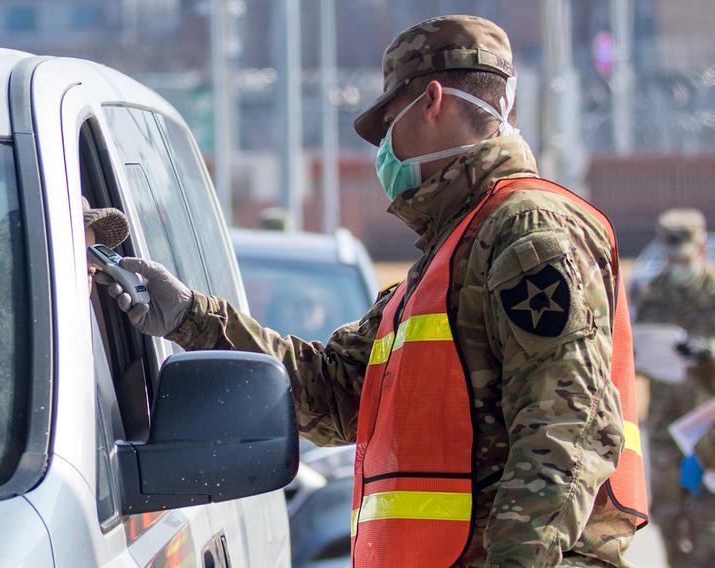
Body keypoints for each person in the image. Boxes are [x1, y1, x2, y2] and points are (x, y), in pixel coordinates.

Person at [107, 15, 647, 567]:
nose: (384, 147)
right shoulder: (452, 248)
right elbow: (336, 393)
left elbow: (565, 426)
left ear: (431, 101)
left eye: (389, 122)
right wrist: (190, 317)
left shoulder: (527, 230)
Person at [635, 208, 715, 567]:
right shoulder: (652, 294)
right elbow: (637, 346)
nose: (677, 263)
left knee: (707, 512)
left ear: (700, 249)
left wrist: (706, 350)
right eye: (671, 257)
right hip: (666, 418)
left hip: (707, 422)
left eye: (683, 256)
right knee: (666, 511)